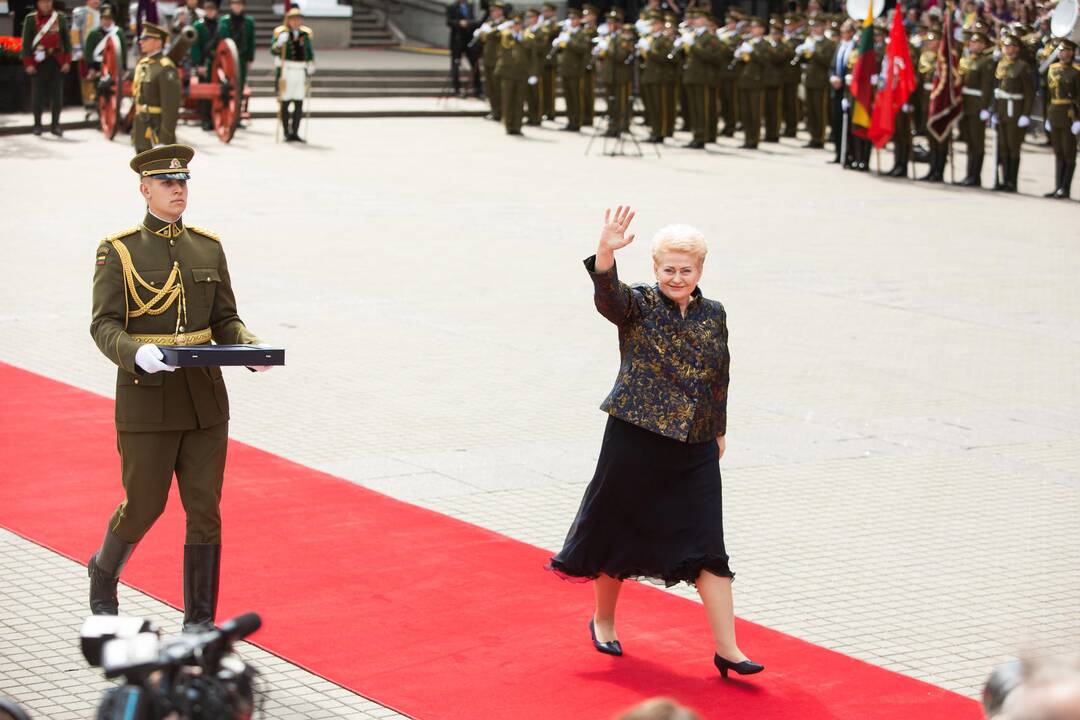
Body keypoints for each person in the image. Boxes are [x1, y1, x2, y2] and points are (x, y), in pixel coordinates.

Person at [547, 206, 764, 681]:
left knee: (709, 542)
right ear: (655, 268)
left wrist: (719, 428)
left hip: (696, 445)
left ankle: (727, 649)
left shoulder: (715, 314)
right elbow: (609, 299)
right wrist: (605, 250)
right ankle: (603, 620)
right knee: (617, 529)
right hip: (636, 438)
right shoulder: (639, 304)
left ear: (701, 270)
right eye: (669, 269)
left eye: (686, 269)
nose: (677, 277)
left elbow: (720, 376)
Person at [88, 144, 268, 633]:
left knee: (205, 510)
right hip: (147, 400)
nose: (178, 190)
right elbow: (103, 324)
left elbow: (226, 318)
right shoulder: (120, 249)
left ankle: (199, 622)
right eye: (168, 183)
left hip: (205, 400)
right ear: (145, 189)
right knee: (144, 505)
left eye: (183, 182)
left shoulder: (207, 246)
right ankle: (104, 572)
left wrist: (251, 347)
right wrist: (134, 353)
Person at [20, 0, 72, 137]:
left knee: (57, 97)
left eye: (48, 1)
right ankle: (37, 125)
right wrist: (28, 64)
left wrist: (67, 61)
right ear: (38, 4)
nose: (46, 4)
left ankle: (56, 125)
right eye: (43, 2)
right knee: (37, 96)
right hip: (38, 63)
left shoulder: (60, 17)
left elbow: (67, 42)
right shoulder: (31, 19)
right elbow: (25, 44)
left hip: (57, 62)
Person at [131, 22, 181, 153]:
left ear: (158, 43)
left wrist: (164, 140)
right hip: (142, 127)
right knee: (144, 171)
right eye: (141, 39)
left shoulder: (165, 68)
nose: (141, 42)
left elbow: (171, 108)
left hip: (157, 130)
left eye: (146, 39)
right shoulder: (143, 64)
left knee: (159, 172)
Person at [993, 33, 1033, 192]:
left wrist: (1025, 114)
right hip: (1002, 109)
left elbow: (1029, 93)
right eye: (1005, 46)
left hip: (1015, 111)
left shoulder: (1023, 66)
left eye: (1010, 46)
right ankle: (1003, 179)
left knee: (1013, 146)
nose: (1007, 48)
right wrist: (994, 109)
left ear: (1016, 48)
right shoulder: (1001, 63)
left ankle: (1012, 181)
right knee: (1002, 147)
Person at [956, 29, 995, 186]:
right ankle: (968, 174)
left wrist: (985, 107)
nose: (975, 45)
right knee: (969, 142)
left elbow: (987, 86)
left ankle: (975, 176)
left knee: (977, 142)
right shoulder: (965, 59)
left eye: (979, 42)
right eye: (973, 42)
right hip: (964, 104)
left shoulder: (986, 62)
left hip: (977, 105)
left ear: (984, 45)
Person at [1042, 39, 1079, 199]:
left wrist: (1078, 119)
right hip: (1054, 113)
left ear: (1072, 53)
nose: (1064, 53)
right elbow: (1048, 95)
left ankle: (1065, 187)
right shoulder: (1051, 68)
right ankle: (1057, 186)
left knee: (1068, 152)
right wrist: (1047, 116)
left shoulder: (1077, 72)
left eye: (1067, 51)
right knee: (1058, 152)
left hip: (1069, 115)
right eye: (1062, 50)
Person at [271, 7, 314, 142]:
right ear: (288, 20)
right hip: (287, 71)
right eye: (293, 19)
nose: (295, 22)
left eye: (298, 19)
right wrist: (278, 44)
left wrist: (311, 64)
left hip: (300, 71)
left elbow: (308, 51)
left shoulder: (305, 35)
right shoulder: (281, 33)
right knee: (285, 102)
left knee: (299, 102)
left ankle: (295, 131)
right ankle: (286, 131)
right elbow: (273, 51)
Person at [598, 11, 636, 138]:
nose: (609, 25)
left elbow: (620, 56)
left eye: (612, 23)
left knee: (621, 104)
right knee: (611, 104)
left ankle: (621, 127)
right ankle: (612, 127)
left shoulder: (623, 38)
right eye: (608, 22)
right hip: (609, 76)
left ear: (618, 24)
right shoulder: (609, 37)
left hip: (621, 77)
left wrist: (607, 48)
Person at [734, 17, 771, 149]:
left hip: (757, 82)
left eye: (756, 27)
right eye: (752, 27)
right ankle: (747, 138)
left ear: (762, 29)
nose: (753, 30)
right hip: (744, 81)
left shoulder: (765, 44)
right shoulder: (747, 42)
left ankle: (754, 140)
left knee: (755, 113)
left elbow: (765, 61)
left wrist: (752, 52)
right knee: (745, 112)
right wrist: (739, 55)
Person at [798, 17, 834, 148]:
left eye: (817, 26)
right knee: (810, 110)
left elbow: (827, 61)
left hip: (820, 81)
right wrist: (801, 53)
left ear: (823, 27)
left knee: (819, 111)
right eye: (813, 26)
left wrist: (815, 52)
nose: (815, 29)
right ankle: (813, 136)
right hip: (809, 80)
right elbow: (804, 61)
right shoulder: (810, 41)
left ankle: (820, 138)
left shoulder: (828, 43)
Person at [639, 13, 675, 142]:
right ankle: (655, 130)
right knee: (652, 107)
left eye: (654, 24)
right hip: (649, 76)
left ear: (660, 24)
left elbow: (665, 58)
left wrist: (648, 51)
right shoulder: (651, 39)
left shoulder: (665, 40)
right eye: (651, 24)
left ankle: (662, 132)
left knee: (661, 107)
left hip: (660, 78)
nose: (652, 27)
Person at [556, 8, 589, 132]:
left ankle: (577, 122)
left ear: (579, 20)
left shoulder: (582, 33)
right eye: (570, 18)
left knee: (576, 97)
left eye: (574, 18)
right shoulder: (567, 32)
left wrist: (569, 41)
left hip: (576, 70)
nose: (572, 21)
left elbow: (582, 48)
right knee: (568, 97)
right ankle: (570, 121)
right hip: (566, 69)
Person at [495, 12, 529, 135]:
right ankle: (508, 125)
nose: (516, 26)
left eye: (518, 24)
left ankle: (518, 126)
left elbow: (532, 50)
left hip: (521, 73)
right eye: (514, 24)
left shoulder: (526, 36)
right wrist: (504, 27)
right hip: (508, 73)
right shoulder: (505, 35)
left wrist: (533, 72)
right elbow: (497, 36)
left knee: (519, 101)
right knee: (508, 100)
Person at [828, 19, 856, 163]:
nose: (843, 33)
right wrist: (833, 77)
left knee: (849, 124)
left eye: (845, 31)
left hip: (849, 90)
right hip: (837, 89)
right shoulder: (839, 45)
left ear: (852, 32)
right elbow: (832, 66)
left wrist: (844, 80)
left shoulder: (856, 47)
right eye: (842, 31)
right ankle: (839, 153)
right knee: (837, 122)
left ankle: (849, 155)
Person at [191, 0, 221, 131]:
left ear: (216, 11)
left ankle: (215, 119)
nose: (210, 12)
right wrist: (199, 64)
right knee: (205, 94)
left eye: (212, 10)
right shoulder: (198, 26)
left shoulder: (221, 25)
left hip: (218, 63)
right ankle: (205, 120)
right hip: (204, 63)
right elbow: (195, 46)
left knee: (218, 93)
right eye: (207, 10)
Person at [219, 0, 255, 105]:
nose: (237, 7)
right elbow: (222, 40)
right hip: (227, 58)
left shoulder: (249, 22)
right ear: (231, 6)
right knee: (226, 84)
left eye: (239, 4)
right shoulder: (224, 21)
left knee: (240, 84)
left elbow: (251, 41)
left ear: (243, 6)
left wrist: (250, 58)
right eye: (235, 4)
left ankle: (237, 113)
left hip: (242, 57)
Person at [474, 0, 506, 120]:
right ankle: (494, 110)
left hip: (497, 60)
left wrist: (489, 32)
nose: (492, 13)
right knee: (490, 87)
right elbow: (482, 39)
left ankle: (502, 111)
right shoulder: (489, 23)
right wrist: (480, 33)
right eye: (491, 11)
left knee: (498, 88)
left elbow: (499, 37)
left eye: (495, 10)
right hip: (487, 59)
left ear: (500, 11)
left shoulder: (505, 24)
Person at [71, 0, 103, 117]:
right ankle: (89, 102)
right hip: (86, 49)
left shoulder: (103, 11)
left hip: (101, 49)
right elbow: (75, 31)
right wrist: (78, 49)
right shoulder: (81, 12)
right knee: (86, 76)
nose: (96, 1)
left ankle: (99, 100)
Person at [446, 0, 480, 97]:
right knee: (455, 65)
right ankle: (457, 89)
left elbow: (474, 20)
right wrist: (459, 23)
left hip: (469, 40)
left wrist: (468, 23)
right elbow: (449, 21)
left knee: (474, 64)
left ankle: (478, 89)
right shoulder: (452, 7)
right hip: (457, 41)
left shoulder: (470, 6)